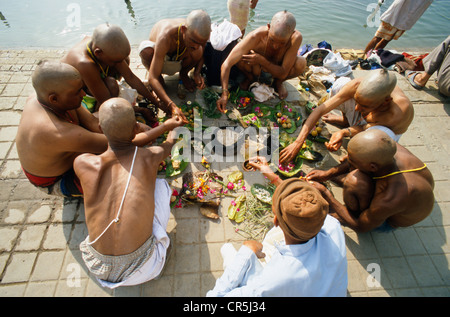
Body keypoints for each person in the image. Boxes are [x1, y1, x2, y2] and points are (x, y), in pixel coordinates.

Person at [75, 97, 183, 288]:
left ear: (100, 128)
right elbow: (169, 144)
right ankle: (160, 258)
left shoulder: (82, 163)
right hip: (143, 266)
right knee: (161, 186)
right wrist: (171, 129)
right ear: (136, 128)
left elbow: (121, 147)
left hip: (97, 265)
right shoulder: (149, 157)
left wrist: (153, 128)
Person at [207, 167, 348, 297]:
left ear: (276, 221)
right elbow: (298, 205)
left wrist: (246, 252)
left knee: (229, 252)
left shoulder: (274, 279)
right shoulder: (332, 226)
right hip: (325, 287)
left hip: (285, 286)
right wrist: (272, 176)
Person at [306, 129, 435, 233]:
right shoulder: (385, 148)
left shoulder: (390, 197)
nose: (343, 159)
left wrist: (326, 194)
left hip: (388, 219)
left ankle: (351, 214)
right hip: (391, 188)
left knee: (353, 181)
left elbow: (361, 227)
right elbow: (356, 158)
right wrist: (328, 174)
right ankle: (343, 182)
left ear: (372, 167)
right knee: (355, 174)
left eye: (351, 160)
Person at [279, 68, 414, 164]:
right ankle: (345, 120)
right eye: (357, 101)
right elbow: (320, 110)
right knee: (340, 85)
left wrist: (345, 133)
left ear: (385, 102)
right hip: (365, 122)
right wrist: (298, 142)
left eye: (364, 106)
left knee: (381, 136)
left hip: (379, 131)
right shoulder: (356, 85)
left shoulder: (397, 113)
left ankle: (359, 160)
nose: (356, 108)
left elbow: (367, 128)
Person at [16, 60, 108, 197]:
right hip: (56, 181)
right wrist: (145, 131)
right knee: (116, 170)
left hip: (67, 147)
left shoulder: (49, 97)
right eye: (77, 92)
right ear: (53, 99)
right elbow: (115, 143)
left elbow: (92, 122)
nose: (83, 94)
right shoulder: (56, 131)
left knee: (109, 116)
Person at [61, 23, 160, 121]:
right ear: (98, 53)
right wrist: (140, 110)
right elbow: (107, 102)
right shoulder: (84, 63)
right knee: (112, 85)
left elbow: (130, 77)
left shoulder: (100, 43)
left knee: (125, 60)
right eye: (116, 62)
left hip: (90, 83)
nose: (120, 64)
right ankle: (96, 116)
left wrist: (157, 103)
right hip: (74, 99)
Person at [216, 10, 306, 112]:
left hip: (278, 72)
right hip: (256, 70)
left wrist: (261, 60)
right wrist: (224, 93)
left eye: (282, 43)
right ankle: (250, 79)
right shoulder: (256, 36)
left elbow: (283, 72)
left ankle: (278, 83)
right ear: (268, 27)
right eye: (272, 40)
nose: (276, 46)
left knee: (301, 63)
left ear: (291, 34)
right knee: (240, 55)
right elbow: (227, 64)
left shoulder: (296, 38)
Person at [139, 9, 211, 121]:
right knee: (146, 52)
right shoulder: (166, 36)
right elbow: (151, 78)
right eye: (194, 41)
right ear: (183, 30)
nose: (197, 46)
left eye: (201, 42)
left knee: (198, 51)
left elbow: (201, 51)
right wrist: (171, 105)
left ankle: (183, 74)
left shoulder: (198, 35)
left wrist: (197, 73)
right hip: (161, 59)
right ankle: (161, 80)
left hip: (179, 57)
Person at [364, 0, 433, 55]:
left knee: (385, 39)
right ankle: (365, 56)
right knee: (379, 37)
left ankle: (371, 57)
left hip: (405, 19)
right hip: (397, 16)